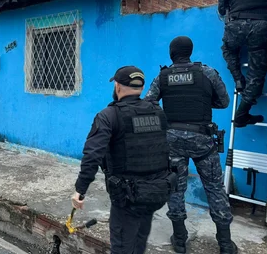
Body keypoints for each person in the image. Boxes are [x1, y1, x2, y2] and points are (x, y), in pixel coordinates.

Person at [145, 36, 237, 254]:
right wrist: (205, 103)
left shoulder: (163, 76)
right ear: (190, 51)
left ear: (172, 53)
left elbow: (149, 103)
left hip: (172, 141)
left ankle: (179, 240)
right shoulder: (207, 73)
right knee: (214, 188)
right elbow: (224, 102)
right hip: (202, 140)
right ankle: (225, 244)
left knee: (175, 187)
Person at [72, 66, 176, 254]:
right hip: (156, 191)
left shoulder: (109, 115)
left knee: (122, 246)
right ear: (141, 88)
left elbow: (92, 155)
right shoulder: (157, 112)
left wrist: (80, 190)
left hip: (128, 196)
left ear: (118, 86)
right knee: (139, 240)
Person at [218, 0, 267, 127]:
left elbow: (221, 9)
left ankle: (238, 79)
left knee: (228, 49)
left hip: (235, 25)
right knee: (257, 70)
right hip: (260, 25)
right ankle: (242, 112)